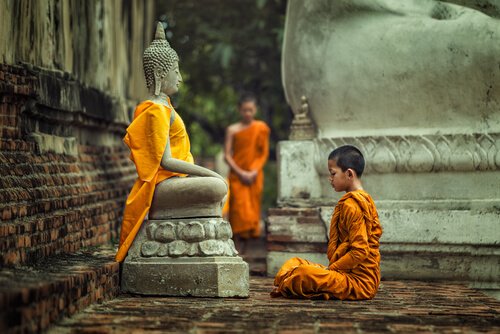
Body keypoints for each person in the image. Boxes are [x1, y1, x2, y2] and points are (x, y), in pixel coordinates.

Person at [115, 23, 226, 262]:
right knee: (217, 186)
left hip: (173, 182)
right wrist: (211, 174)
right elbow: (165, 161)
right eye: (176, 71)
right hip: (162, 184)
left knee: (218, 187)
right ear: (159, 75)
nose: (181, 78)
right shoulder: (155, 110)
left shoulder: (164, 108)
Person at [270, 145, 383, 300]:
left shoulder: (354, 205)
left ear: (349, 173)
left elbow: (360, 252)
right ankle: (288, 281)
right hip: (342, 273)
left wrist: (332, 269)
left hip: (359, 282)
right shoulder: (359, 200)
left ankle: (288, 283)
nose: (330, 179)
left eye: (333, 173)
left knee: (303, 273)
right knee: (294, 262)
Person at [224, 94, 270, 253]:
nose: (248, 114)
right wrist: (241, 172)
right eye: (245, 110)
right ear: (239, 110)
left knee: (251, 214)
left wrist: (253, 171)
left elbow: (263, 153)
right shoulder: (232, 129)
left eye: (251, 110)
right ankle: (235, 248)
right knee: (238, 212)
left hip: (254, 175)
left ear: (255, 110)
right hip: (237, 176)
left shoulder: (261, 128)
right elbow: (227, 155)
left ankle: (247, 252)